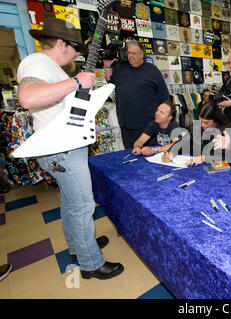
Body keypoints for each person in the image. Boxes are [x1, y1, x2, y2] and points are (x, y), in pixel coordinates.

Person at [17, 17, 123, 280]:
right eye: (74, 48)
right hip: (61, 150)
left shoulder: (50, 67)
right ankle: (90, 263)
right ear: (61, 43)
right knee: (84, 205)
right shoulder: (36, 62)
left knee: (71, 202)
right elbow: (28, 97)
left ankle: (79, 248)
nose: (77, 54)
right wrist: (76, 82)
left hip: (63, 147)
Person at [104, 40, 170, 149]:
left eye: (134, 53)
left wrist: (165, 122)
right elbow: (110, 83)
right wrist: (107, 67)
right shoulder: (121, 68)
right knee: (132, 157)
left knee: (151, 159)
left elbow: (164, 97)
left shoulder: (152, 70)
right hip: (126, 127)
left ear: (141, 54)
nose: (130, 56)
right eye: (129, 53)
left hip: (148, 127)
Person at [162, 101, 231, 166]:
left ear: (216, 120)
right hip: (199, 165)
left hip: (221, 168)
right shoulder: (197, 126)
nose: (202, 125)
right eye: (200, 121)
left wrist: (204, 158)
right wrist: (171, 152)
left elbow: (227, 155)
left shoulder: (227, 131)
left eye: (206, 122)